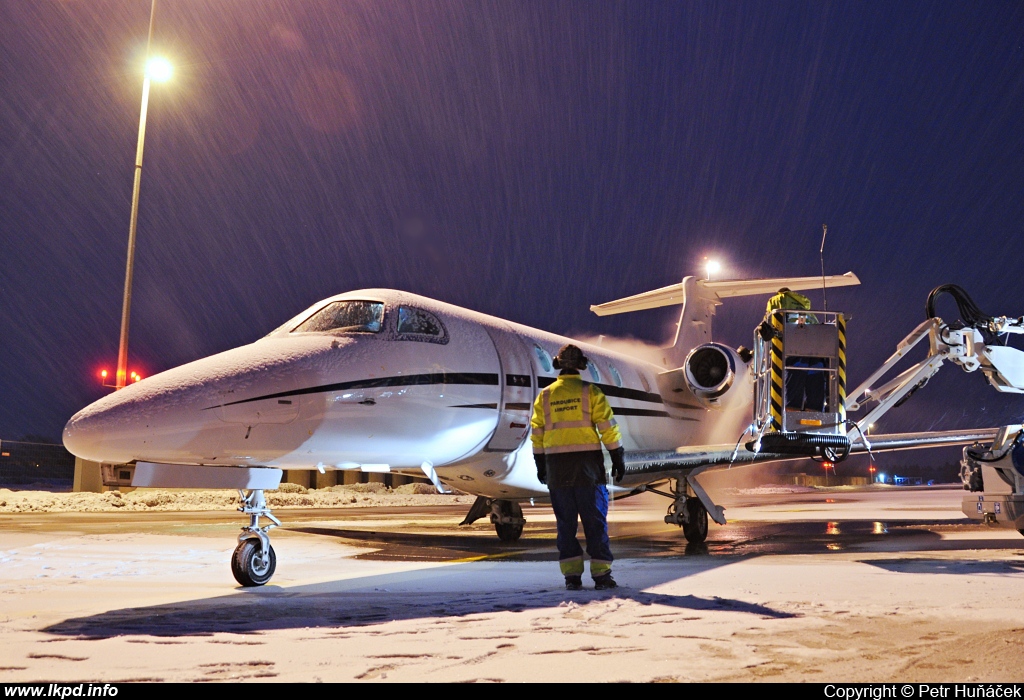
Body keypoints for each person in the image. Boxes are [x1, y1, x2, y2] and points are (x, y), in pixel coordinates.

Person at [531, 344, 626, 591]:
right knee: (595, 522)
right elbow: (607, 427)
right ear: (581, 366)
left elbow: (537, 434)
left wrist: (541, 465)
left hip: (557, 468)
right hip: (587, 468)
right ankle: (602, 576)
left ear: (557, 364)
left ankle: (572, 577)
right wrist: (617, 456)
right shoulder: (590, 392)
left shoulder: (545, 396)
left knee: (565, 524)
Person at [764, 288, 826, 412]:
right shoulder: (804, 308)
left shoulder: (776, 302)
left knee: (793, 382)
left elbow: (769, 324)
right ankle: (813, 412)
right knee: (815, 384)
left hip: (791, 349)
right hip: (815, 352)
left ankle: (792, 411)